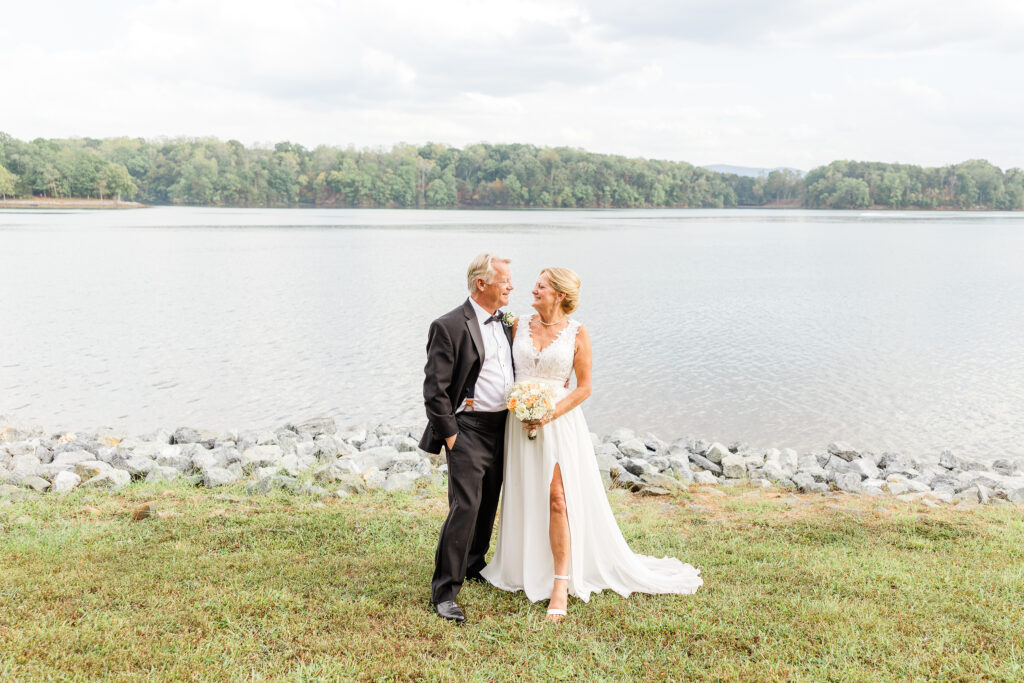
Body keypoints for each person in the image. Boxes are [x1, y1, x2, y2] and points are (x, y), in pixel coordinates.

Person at [480, 268, 703, 622]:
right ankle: (524, 567)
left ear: (560, 295)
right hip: (519, 422)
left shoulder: (577, 333)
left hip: (558, 423)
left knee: (558, 499)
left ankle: (560, 583)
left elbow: (584, 387)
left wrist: (549, 412)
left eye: (542, 286)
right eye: (535, 284)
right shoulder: (517, 324)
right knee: (524, 494)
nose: (533, 289)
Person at [420, 253, 515, 624]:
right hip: (468, 430)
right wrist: (452, 437)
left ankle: (475, 563)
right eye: (505, 280)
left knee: (489, 499)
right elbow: (435, 390)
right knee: (466, 506)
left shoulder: (507, 323)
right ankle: (445, 592)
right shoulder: (448, 326)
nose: (511, 286)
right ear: (482, 284)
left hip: (503, 427)